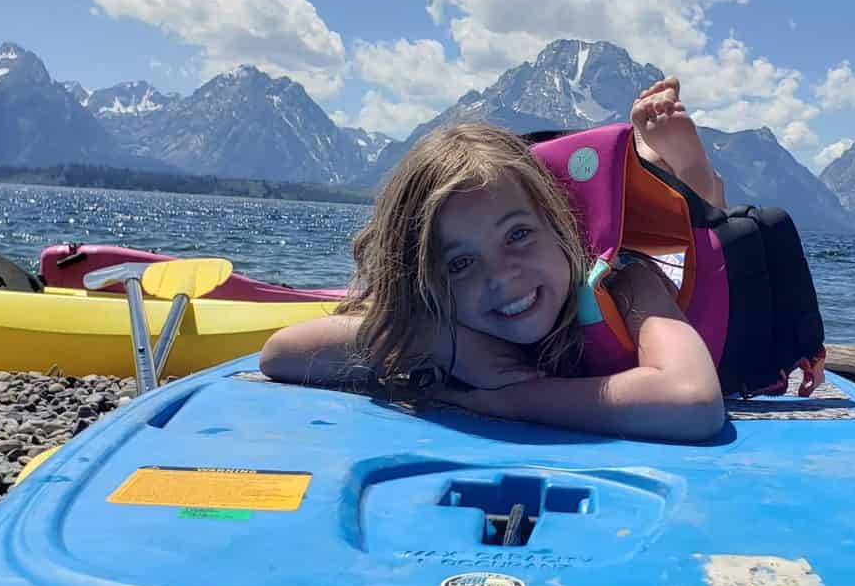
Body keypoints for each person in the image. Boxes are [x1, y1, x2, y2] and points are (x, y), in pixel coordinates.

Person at [259, 78, 728, 442]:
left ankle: (692, 178)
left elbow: (692, 401)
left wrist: (511, 399)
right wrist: (444, 343)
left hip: (721, 316)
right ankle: (681, 180)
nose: (502, 277)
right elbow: (281, 354)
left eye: (519, 235)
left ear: (560, 224)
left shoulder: (627, 285)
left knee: (713, 231)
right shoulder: (444, 317)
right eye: (460, 264)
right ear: (427, 280)